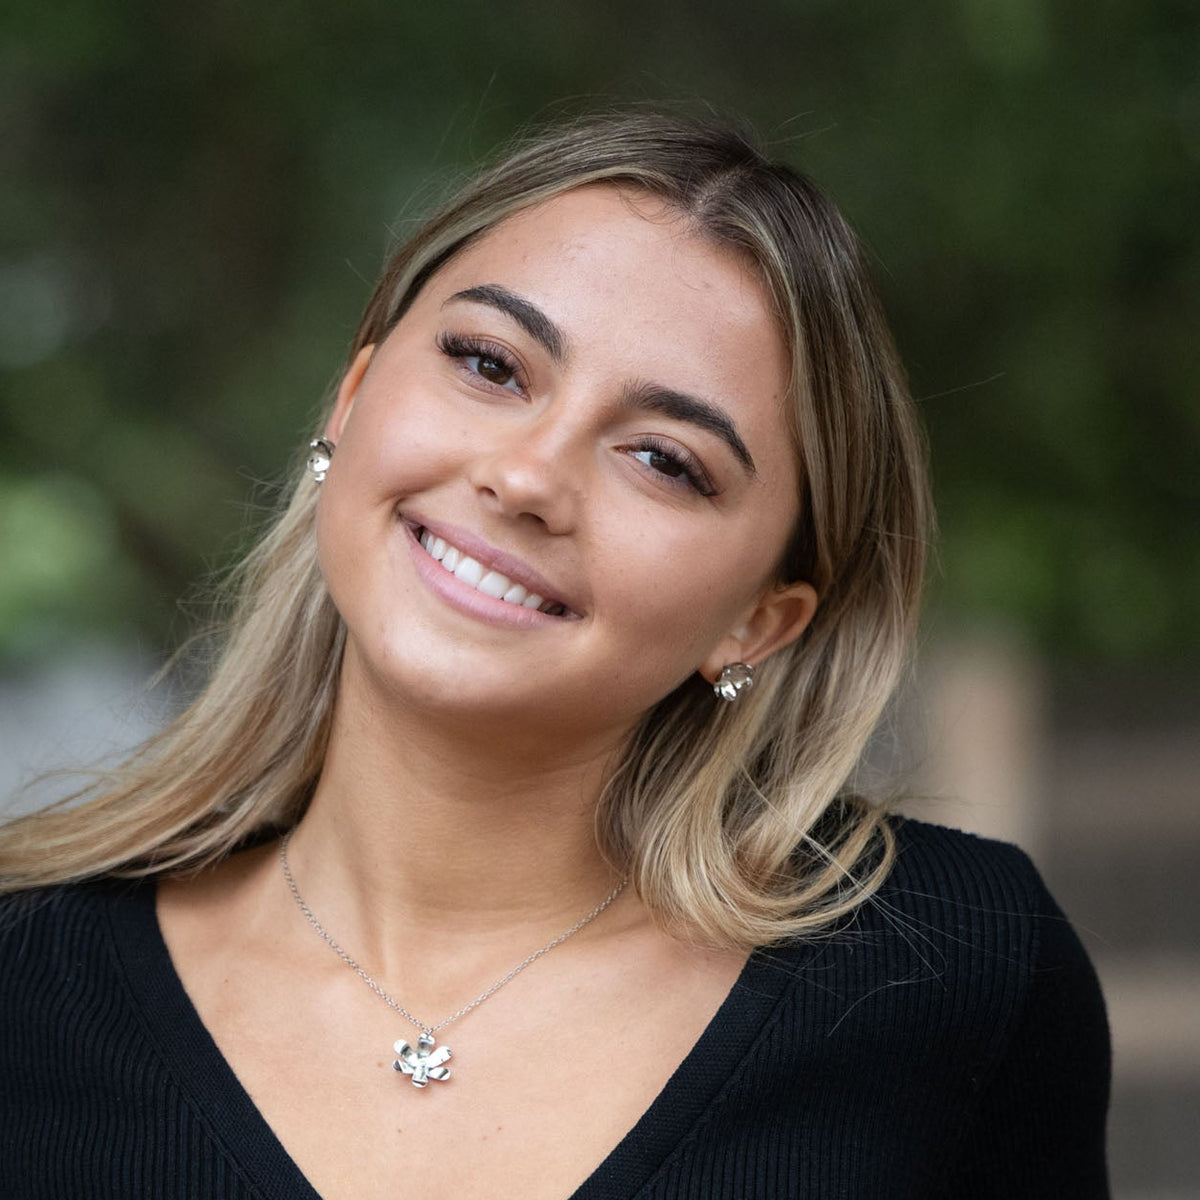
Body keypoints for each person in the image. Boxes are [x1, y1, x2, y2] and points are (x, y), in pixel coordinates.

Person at [0, 109, 1109, 1198]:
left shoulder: (956, 972)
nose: (527, 478)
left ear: (761, 618)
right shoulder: (24, 975)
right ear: (352, 397)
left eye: (667, 461)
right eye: (490, 363)